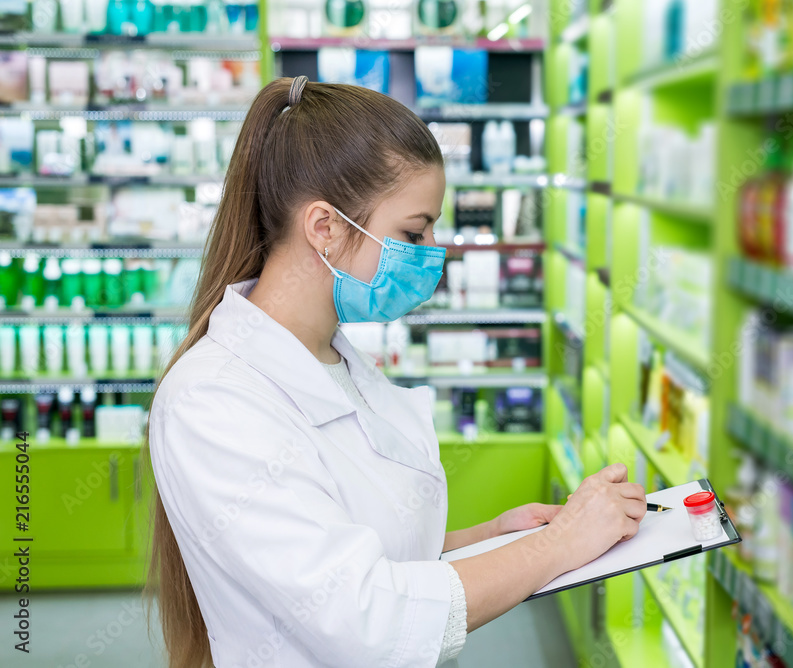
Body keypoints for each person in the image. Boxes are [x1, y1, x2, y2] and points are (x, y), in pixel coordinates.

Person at [144, 75, 647, 668]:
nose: (435, 250)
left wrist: (493, 538)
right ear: (325, 229)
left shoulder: (332, 358)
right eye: (415, 232)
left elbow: (363, 551)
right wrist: (561, 546)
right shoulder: (214, 401)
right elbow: (363, 618)